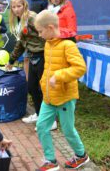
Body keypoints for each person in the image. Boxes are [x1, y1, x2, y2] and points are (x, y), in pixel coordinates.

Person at [34, 10, 89, 171]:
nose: (39, 35)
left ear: (50, 27)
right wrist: (44, 83)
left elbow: (80, 68)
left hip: (65, 97)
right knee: (42, 126)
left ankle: (81, 155)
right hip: (49, 97)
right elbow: (48, 67)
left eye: (40, 31)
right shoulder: (47, 44)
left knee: (68, 129)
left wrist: (59, 76)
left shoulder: (68, 45)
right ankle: (51, 160)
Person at [5, 0, 57, 130]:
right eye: (14, 7)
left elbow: (49, 33)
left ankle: (51, 121)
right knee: (32, 88)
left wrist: (53, 52)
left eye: (19, 6)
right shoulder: (20, 20)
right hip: (32, 56)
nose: (16, 9)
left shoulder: (33, 17)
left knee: (44, 88)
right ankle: (40, 114)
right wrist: (11, 60)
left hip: (43, 55)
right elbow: (21, 43)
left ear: (25, 5)